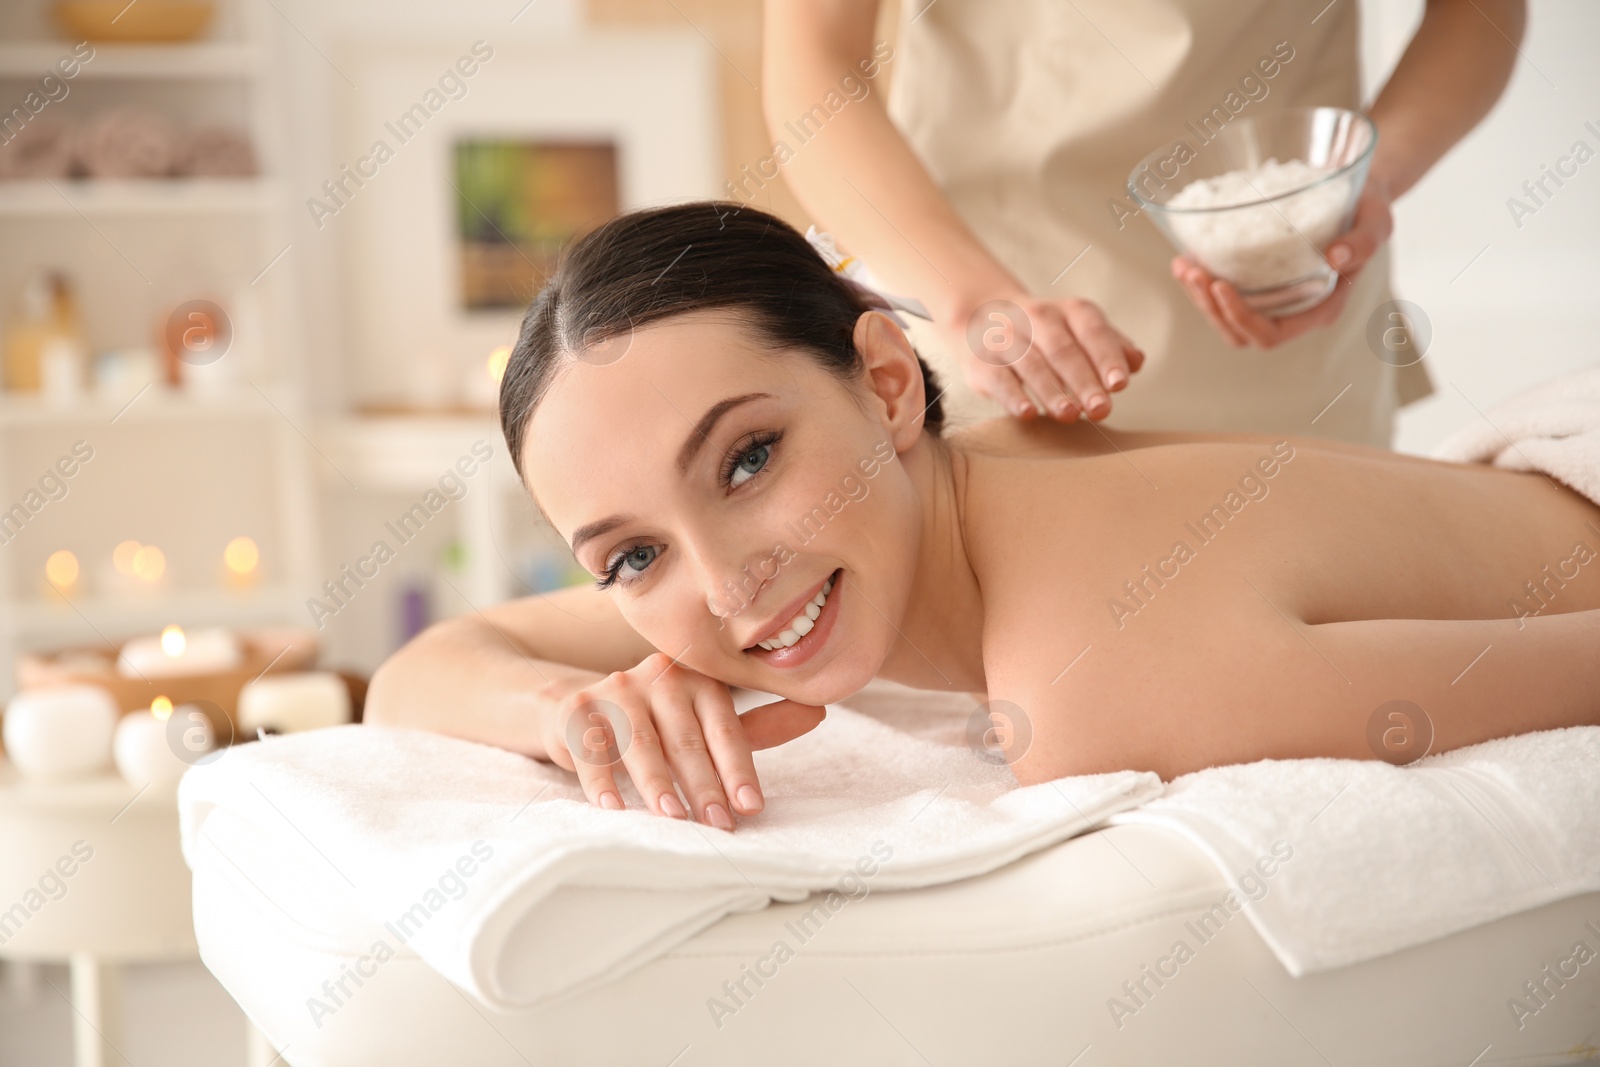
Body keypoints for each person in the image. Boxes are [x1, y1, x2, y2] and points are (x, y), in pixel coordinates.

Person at [364, 204, 1600, 833]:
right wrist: (576, 712)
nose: (731, 587)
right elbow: (423, 668)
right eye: (631, 553)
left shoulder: (1091, 675)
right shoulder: (941, 491)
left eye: (746, 459)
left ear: (889, 383)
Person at [758, 0, 1526, 444]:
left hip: (1291, 329)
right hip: (996, 347)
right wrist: (971, 300)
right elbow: (813, 65)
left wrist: (1362, 184)